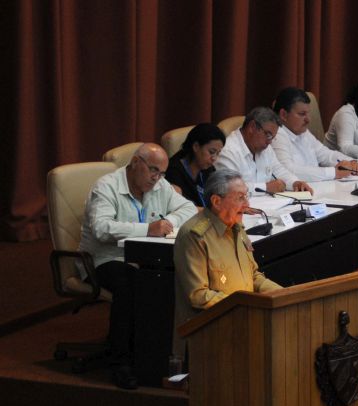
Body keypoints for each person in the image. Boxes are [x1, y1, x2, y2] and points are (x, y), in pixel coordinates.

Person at [79, 143, 196, 389]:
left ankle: (158, 355)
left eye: (162, 173)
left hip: (146, 257)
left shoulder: (159, 185)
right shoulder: (107, 187)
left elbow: (187, 208)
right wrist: (147, 229)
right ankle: (121, 362)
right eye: (153, 170)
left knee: (170, 279)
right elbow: (101, 228)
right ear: (135, 163)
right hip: (104, 260)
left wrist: (167, 221)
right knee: (131, 284)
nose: (157, 178)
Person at [173, 169, 283, 328]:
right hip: (209, 333)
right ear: (217, 201)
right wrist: (245, 306)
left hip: (244, 322)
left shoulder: (236, 226)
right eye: (240, 198)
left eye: (246, 196)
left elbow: (253, 277)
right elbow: (198, 296)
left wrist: (284, 295)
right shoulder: (194, 236)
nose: (247, 205)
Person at [270, 87, 358, 182]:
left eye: (308, 113)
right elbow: (288, 170)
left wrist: (351, 162)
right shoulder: (276, 134)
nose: (308, 120)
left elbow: (326, 154)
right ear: (283, 115)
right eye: (302, 114)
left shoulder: (303, 132)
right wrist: (334, 173)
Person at [216, 106, 313, 195]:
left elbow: (278, 170)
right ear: (252, 127)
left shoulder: (264, 147)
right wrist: (266, 187)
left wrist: (295, 182)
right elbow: (231, 189)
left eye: (272, 137)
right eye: (268, 134)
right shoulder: (228, 152)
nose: (270, 142)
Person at [164, 123, 226, 207]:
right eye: (211, 152)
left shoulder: (208, 169)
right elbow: (181, 208)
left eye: (218, 153)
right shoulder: (173, 172)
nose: (214, 158)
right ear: (196, 147)